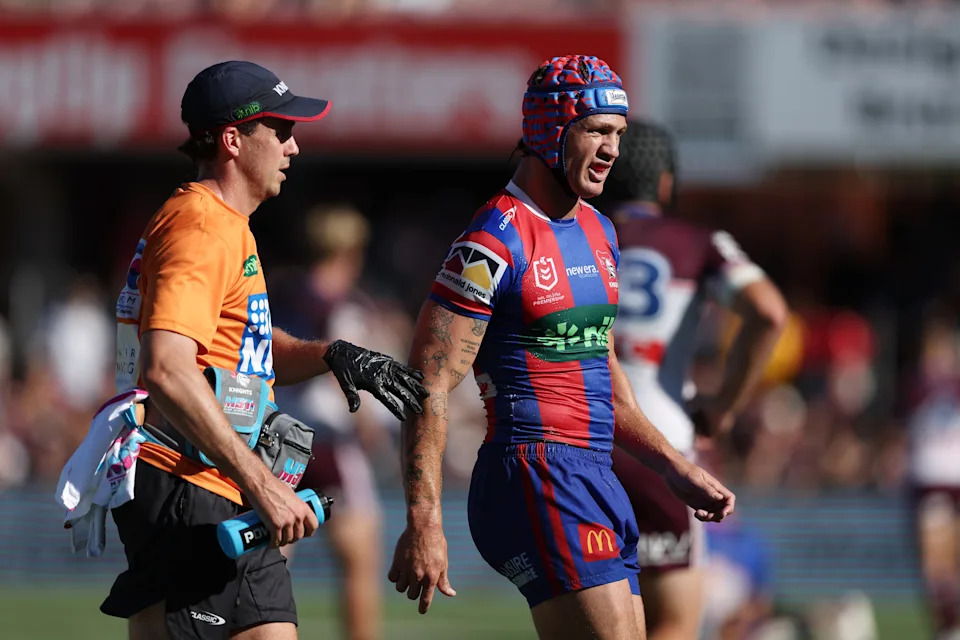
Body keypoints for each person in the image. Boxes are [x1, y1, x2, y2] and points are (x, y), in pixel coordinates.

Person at [388, 55, 735, 640]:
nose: (612, 150)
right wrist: (424, 520)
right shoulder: (490, 241)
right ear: (551, 128)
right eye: (598, 130)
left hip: (596, 471)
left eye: (619, 135)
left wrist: (674, 466)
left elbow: (606, 381)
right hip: (533, 471)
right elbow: (428, 385)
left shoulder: (600, 232)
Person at [101, 60, 428, 640]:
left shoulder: (226, 225)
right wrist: (261, 481)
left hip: (210, 486)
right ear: (232, 140)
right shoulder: (201, 228)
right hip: (192, 486)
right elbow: (167, 368)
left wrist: (330, 354)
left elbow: (235, 350)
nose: (294, 147)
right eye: (281, 130)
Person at [603, 120, 787, 640]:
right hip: (662, 443)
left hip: (577, 441)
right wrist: (723, 406)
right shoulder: (695, 241)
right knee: (673, 624)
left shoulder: (568, 234)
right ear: (665, 184)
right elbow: (768, 313)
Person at [272, 204, 400, 640]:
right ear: (352, 253)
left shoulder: (278, 292)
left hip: (277, 439)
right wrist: (372, 433)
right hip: (328, 442)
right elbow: (344, 380)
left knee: (268, 566)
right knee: (360, 559)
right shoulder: (346, 307)